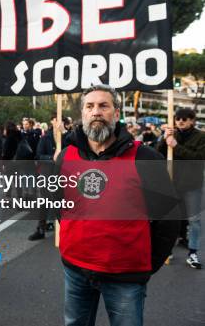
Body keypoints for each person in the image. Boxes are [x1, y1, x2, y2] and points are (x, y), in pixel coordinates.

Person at [55, 85, 179, 326]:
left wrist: (147, 265)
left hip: (125, 277)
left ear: (117, 112)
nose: (96, 112)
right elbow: (60, 205)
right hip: (75, 270)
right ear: (82, 114)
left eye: (104, 105)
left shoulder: (146, 158)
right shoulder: (66, 156)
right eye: (89, 106)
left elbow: (169, 218)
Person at [157, 107, 205, 269]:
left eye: (185, 119)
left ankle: (192, 253)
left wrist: (176, 146)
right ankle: (167, 250)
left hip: (192, 186)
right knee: (170, 220)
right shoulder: (172, 134)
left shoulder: (201, 137)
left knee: (194, 220)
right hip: (172, 184)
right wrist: (164, 140)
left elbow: (198, 158)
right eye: (178, 119)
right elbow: (158, 155)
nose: (181, 122)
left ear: (192, 120)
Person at [28, 115, 69, 241]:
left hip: (65, 174)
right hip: (48, 173)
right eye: (56, 120)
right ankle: (41, 228)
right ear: (52, 121)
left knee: (65, 203)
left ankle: (66, 231)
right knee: (44, 201)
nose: (58, 123)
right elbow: (39, 155)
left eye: (60, 120)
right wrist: (52, 158)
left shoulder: (68, 137)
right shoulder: (45, 138)